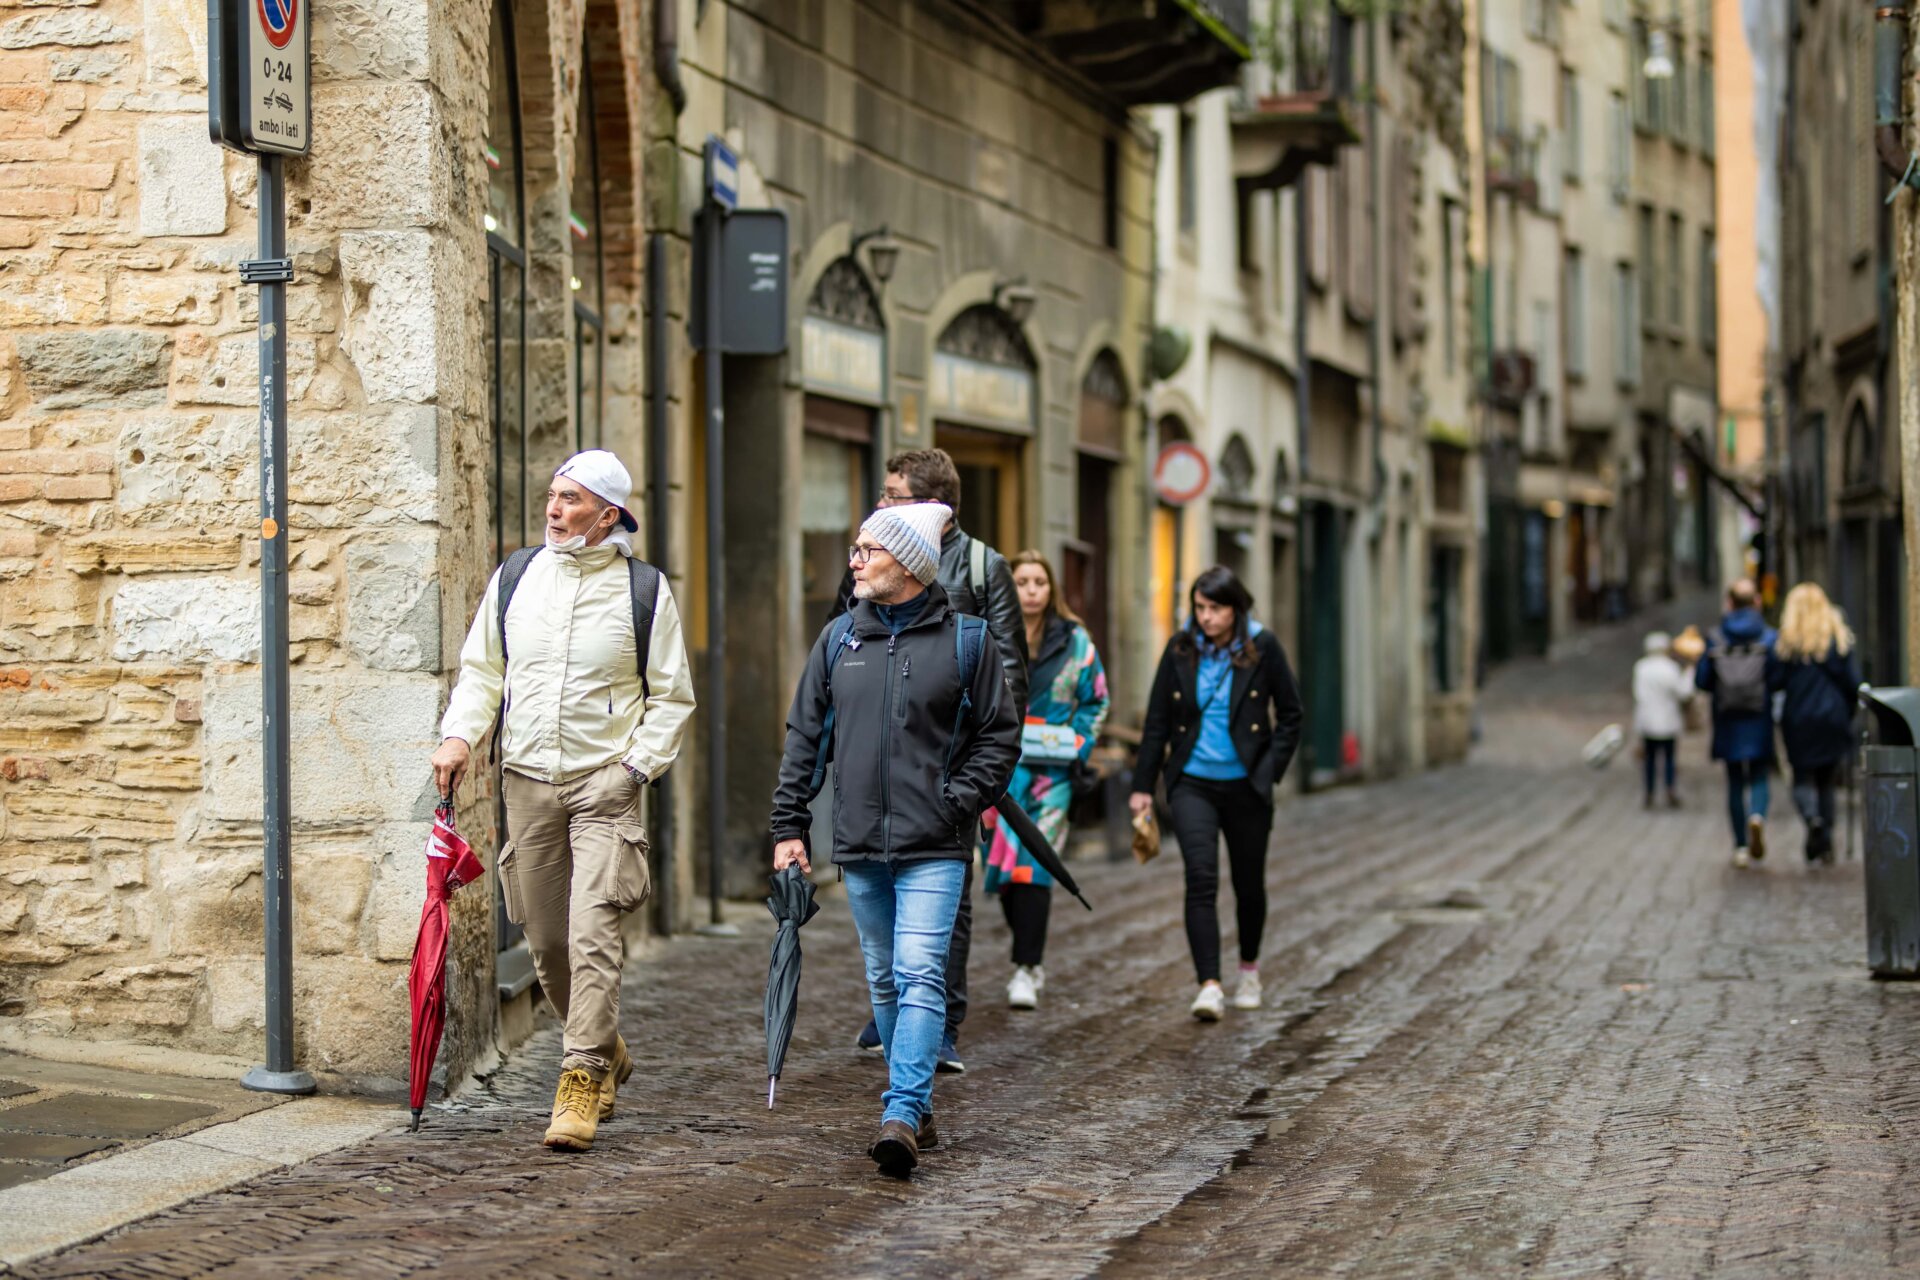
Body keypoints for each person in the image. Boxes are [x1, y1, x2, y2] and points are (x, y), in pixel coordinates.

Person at [432, 450, 696, 1152]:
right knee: (547, 943)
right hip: (526, 780)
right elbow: (484, 670)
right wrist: (459, 737)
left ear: (608, 515)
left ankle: (580, 1078)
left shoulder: (644, 591)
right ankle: (607, 1047)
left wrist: (633, 769)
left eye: (571, 499)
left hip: (605, 784)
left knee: (593, 933)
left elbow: (672, 698)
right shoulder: (517, 576)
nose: (554, 509)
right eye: (552, 495)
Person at [769, 502, 1019, 1177]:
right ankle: (917, 1100)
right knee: (883, 974)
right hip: (858, 842)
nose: (854, 560)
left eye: (867, 550)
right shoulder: (838, 640)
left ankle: (903, 1111)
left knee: (918, 971)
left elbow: (1000, 737)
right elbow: (804, 738)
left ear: (907, 564)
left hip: (935, 843)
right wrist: (789, 827)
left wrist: (955, 801)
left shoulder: (968, 640)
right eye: (854, 548)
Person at [828, 449, 1028, 1073]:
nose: (881, 504)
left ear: (927, 504)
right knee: (886, 917)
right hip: (881, 764)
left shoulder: (982, 565)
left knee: (948, 895)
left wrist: (975, 784)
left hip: (950, 764)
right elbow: (840, 646)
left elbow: (1009, 673)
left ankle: (943, 1023)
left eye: (893, 495)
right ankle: (904, 1014)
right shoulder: (870, 562)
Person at [1130, 566, 1303, 1021]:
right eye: (1200, 608)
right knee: (1200, 878)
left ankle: (1249, 968)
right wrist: (1142, 787)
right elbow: (1157, 724)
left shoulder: (1262, 647)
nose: (1206, 618)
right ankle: (1209, 983)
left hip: (1247, 785)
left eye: (1216, 608)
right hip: (1192, 783)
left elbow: (1290, 714)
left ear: (1236, 608)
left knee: (1248, 884)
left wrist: (1269, 772)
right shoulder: (1181, 648)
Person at [981, 550, 1110, 1010]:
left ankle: (1024, 966)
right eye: (1022, 581)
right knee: (1002, 868)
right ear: (1008, 587)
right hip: (997, 771)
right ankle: (1029, 955)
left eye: (1040, 581)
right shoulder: (989, 633)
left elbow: (1096, 699)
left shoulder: (1075, 641)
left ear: (1052, 588)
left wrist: (1078, 744)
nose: (1032, 589)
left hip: (1051, 775)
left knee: (1034, 863)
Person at [1768, 583, 1861, 866]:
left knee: (1801, 777)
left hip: (1799, 718)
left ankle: (1812, 819)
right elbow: (1853, 683)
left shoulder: (1787, 643)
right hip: (1832, 718)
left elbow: (1774, 682)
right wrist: (1847, 712)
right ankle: (1826, 843)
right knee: (1826, 782)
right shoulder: (1837, 641)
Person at [1695, 578, 1778, 867]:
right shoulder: (1768, 638)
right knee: (1759, 773)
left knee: (1734, 780)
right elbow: (1777, 679)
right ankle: (1757, 814)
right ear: (1756, 601)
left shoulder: (1716, 637)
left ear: (1729, 603)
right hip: (1758, 715)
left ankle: (1741, 846)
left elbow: (1702, 680)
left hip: (1727, 718)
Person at [1632, 631, 1694, 809]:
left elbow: (1638, 695)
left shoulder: (1641, 668)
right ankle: (1670, 789)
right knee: (1669, 758)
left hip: (1648, 721)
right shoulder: (1670, 668)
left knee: (1649, 759)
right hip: (1667, 720)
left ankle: (1649, 791)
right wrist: (1689, 672)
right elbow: (1683, 692)